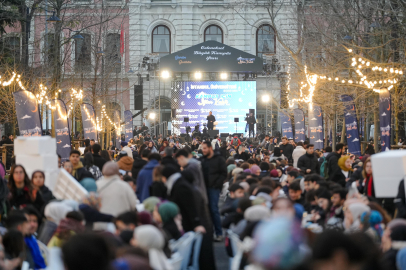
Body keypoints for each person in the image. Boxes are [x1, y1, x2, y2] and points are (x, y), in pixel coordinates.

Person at [201, 141, 227, 241]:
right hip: (204, 188)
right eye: (202, 148)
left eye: (205, 148)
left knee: (213, 209)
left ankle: (219, 233)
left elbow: (223, 173)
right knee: (206, 211)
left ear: (210, 148)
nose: (203, 150)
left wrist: (217, 184)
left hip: (214, 188)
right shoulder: (203, 160)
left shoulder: (219, 159)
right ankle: (209, 232)